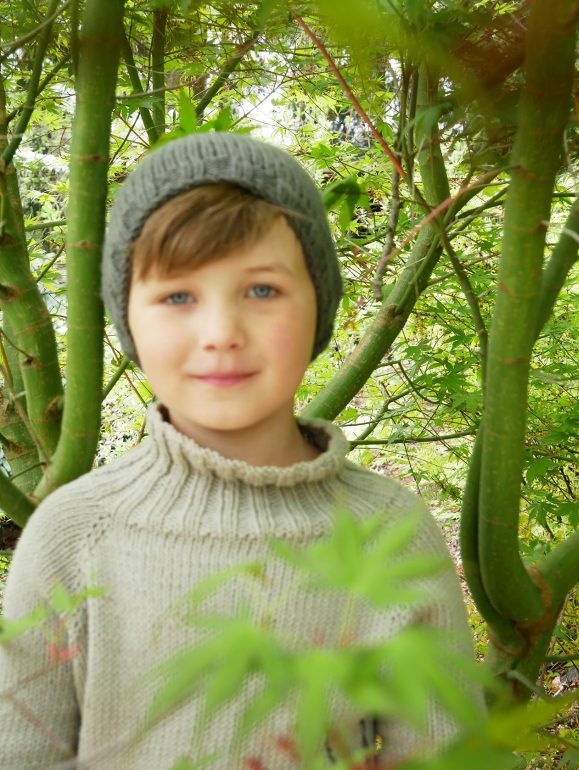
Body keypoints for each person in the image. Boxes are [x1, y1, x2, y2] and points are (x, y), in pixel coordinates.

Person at [0, 133, 482, 770]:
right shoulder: (73, 535)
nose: (221, 334)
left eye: (261, 291)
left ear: (319, 305)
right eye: (177, 297)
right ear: (127, 319)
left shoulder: (389, 535)